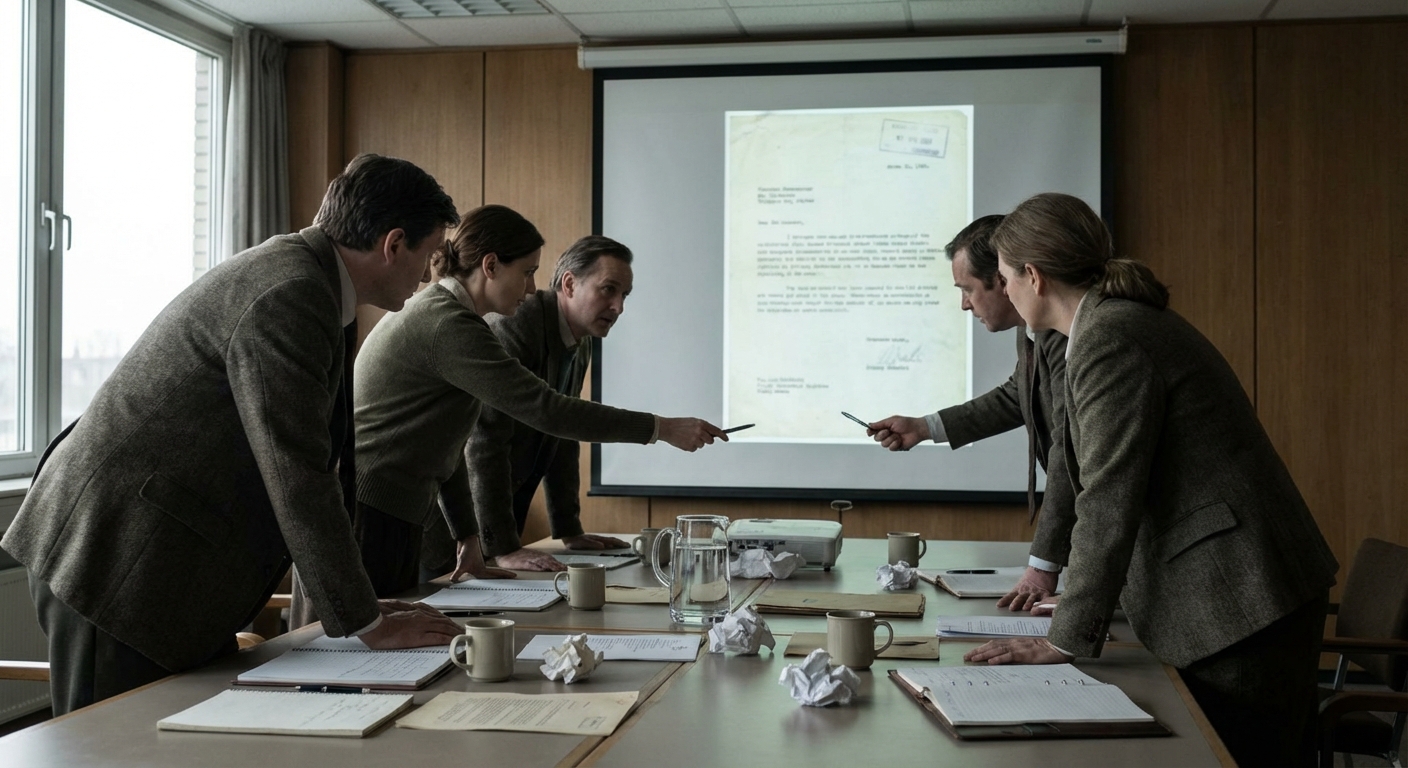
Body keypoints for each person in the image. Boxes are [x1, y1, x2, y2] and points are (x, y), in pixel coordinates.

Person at [0, 154, 466, 715]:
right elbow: (298, 475)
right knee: (113, 749)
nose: (427, 276)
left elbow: (320, 466)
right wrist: (363, 620)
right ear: (394, 244)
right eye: (428, 255)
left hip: (165, 569)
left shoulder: (311, 283)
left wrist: (359, 605)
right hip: (118, 562)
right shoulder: (291, 292)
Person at [964, 192, 1337, 767]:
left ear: (1033, 277)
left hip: (1237, 596)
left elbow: (1107, 497)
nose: (1004, 292)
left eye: (1006, 278)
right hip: (1230, 588)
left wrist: (1063, 640)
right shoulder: (1106, 324)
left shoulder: (1110, 337)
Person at [351, 206, 727, 596]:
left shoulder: (459, 320)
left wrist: (470, 537)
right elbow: (527, 420)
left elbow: (447, 446)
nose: (532, 288)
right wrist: (661, 428)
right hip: (379, 510)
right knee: (358, 644)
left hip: (397, 509)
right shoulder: (454, 325)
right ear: (491, 265)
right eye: (528, 273)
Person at [865, 215, 1073, 610]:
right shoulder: (1035, 327)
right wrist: (925, 427)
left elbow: (1069, 453)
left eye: (967, 289)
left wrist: (1043, 565)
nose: (963, 304)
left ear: (1003, 279)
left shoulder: (1063, 332)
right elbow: (1018, 396)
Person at [445, 236, 640, 572]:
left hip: (497, 524)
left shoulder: (582, 341)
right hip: (453, 526)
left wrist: (568, 529)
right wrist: (502, 546)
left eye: (624, 295)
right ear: (569, 283)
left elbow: (562, 433)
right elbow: (485, 440)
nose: (618, 307)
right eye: (608, 289)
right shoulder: (517, 323)